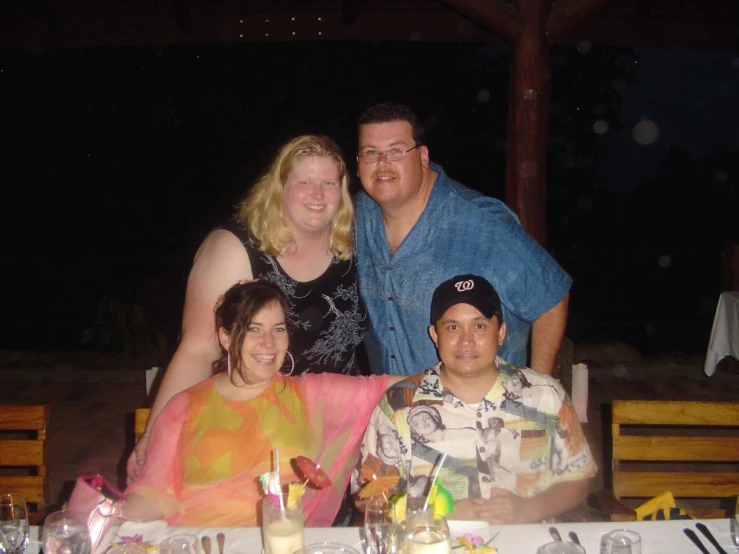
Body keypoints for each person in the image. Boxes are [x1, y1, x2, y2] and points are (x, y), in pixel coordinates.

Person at [127, 134, 366, 483]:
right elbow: (197, 349)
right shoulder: (233, 248)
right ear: (279, 187)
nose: (318, 195)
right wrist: (155, 435)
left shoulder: (353, 245)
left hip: (337, 427)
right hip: (253, 431)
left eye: (329, 183)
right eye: (304, 182)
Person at [125, 280, 404, 527]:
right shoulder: (184, 406)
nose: (268, 343)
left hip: (280, 540)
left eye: (278, 329)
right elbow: (150, 492)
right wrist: (113, 519)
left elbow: (388, 387)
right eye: (253, 329)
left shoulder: (311, 394)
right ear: (226, 336)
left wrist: (445, 372)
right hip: (199, 541)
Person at [351, 274, 596, 524]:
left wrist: (528, 509)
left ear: (500, 333)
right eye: (453, 327)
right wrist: (437, 514)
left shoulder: (545, 394)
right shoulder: (398, 405)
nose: (466, 341)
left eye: (479, 326)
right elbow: (367, 494)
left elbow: (578, 477)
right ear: (435, 335)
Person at [354, 101, 571, 376]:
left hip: (481, 411)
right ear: (358, 163)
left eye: (396, 151)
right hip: (393, 407)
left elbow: (550, 298)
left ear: (423, 157)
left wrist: (539, 391)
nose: (382, 164)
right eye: (371, 153)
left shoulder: (482, 225)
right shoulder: (356, 217)